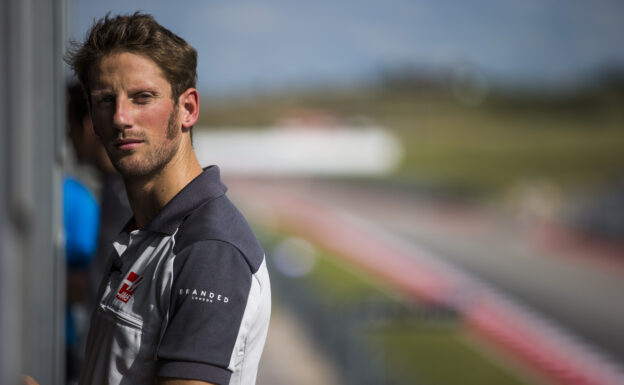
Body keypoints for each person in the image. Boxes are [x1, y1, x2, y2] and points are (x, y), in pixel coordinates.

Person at [64, 12, 271, 385]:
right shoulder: (143, 230)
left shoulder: (210, 249)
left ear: (187, 109)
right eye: (105, 100)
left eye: (142, 97)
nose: (121, 117)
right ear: (91, 119)